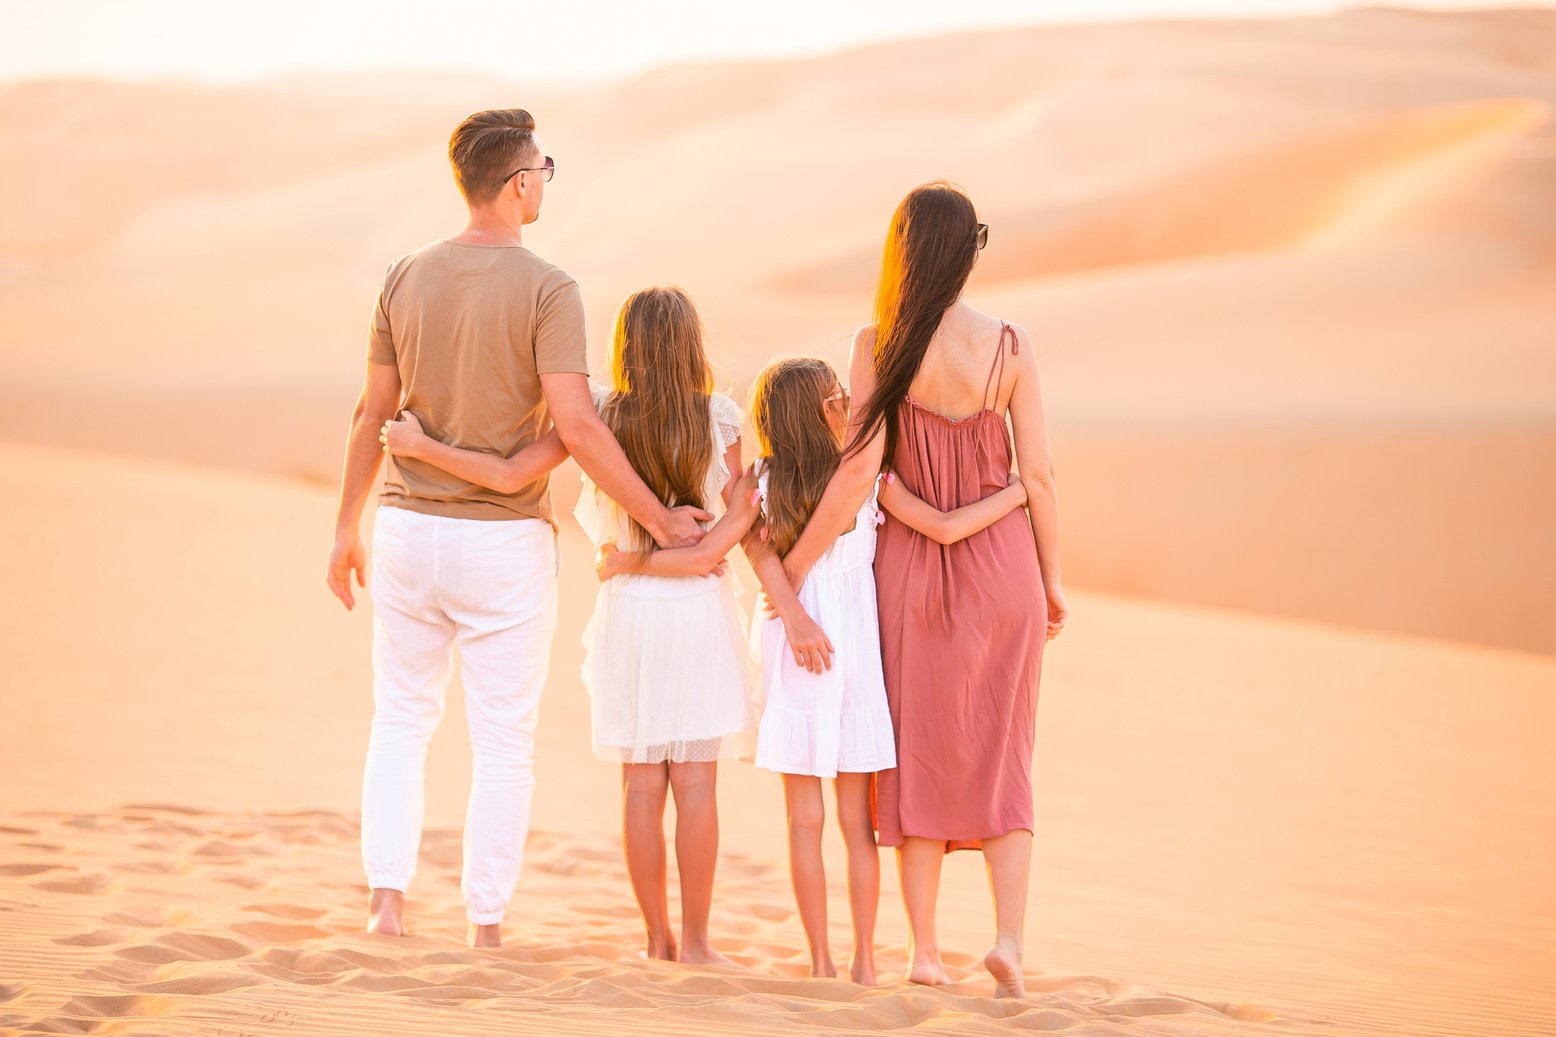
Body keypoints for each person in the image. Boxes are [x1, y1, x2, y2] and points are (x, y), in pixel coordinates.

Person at [325, 108, 709, 949]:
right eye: (542, 165)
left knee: (399, 720)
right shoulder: (549, 287)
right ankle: (484, 922)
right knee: (503, 742)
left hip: (406, 529)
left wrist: (344, 524)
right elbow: (576, 425)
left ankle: (386, 904)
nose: (545, 178)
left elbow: (371, 414)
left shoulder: (402, 276)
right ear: (517, 182)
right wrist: (658, 519)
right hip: (501, 542)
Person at [597, 355, 1028, 985]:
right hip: (853, 656)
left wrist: (625, 563)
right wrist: (1019, 490)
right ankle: (863, 964)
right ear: (827, 408)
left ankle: (822, 962)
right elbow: (940, 525)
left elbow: (714, 553)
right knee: (857, 826)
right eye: (838, 396)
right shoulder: (866, 476)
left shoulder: (760, 489)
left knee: (804, 823)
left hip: (794, 655)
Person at [385, 285, 749, 965]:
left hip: (632, 616)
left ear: (626, 349)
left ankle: (656, 940)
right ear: (692, 345)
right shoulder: (719, 417)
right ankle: (697, 943)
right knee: (696, 784)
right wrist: (704, 551)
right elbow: (743, 512)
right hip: (698, 609)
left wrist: (419, 445)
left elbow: (513, 469)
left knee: (642, 785)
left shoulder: (600, 415)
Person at [776, 182, 1066, 998]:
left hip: (905, 575)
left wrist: (795, 562)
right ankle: (1008, 941)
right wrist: (1051, 579)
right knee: (1006, 755)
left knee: (919, 756)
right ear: (970, 250)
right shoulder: (1010, 345)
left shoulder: (880, 343)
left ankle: (927, 951)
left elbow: (863, 470)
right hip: (1003, 566)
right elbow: (1038, 473)